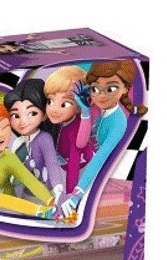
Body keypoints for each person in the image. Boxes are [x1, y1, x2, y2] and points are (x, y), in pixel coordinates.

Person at [61, 59, 148, 217]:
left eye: (111, 88)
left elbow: (100, 159)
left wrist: (76, 195)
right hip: (86, 167)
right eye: (95, 88)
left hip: (102, 175)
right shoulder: (96, 108)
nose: (101, 95)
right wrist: (85, 111)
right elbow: (80, 143)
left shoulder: (118, 123)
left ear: (125, 88)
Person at [5, 78, 66, 202]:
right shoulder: (18, 143)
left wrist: (59, 191)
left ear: (44, 114)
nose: (22, 121)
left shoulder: (44, 139)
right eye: (16, 115)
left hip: (48, 195)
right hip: (26, 195)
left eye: (32, 113)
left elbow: (52, 166)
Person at [44, 65, 95, 193]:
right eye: (50, 101)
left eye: (64, 104)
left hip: (82, 168)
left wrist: (71, 195)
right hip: (64, 163)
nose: (54, 109)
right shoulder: (58, 123)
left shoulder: (75, 130)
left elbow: (74, 165)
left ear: (79, 107)